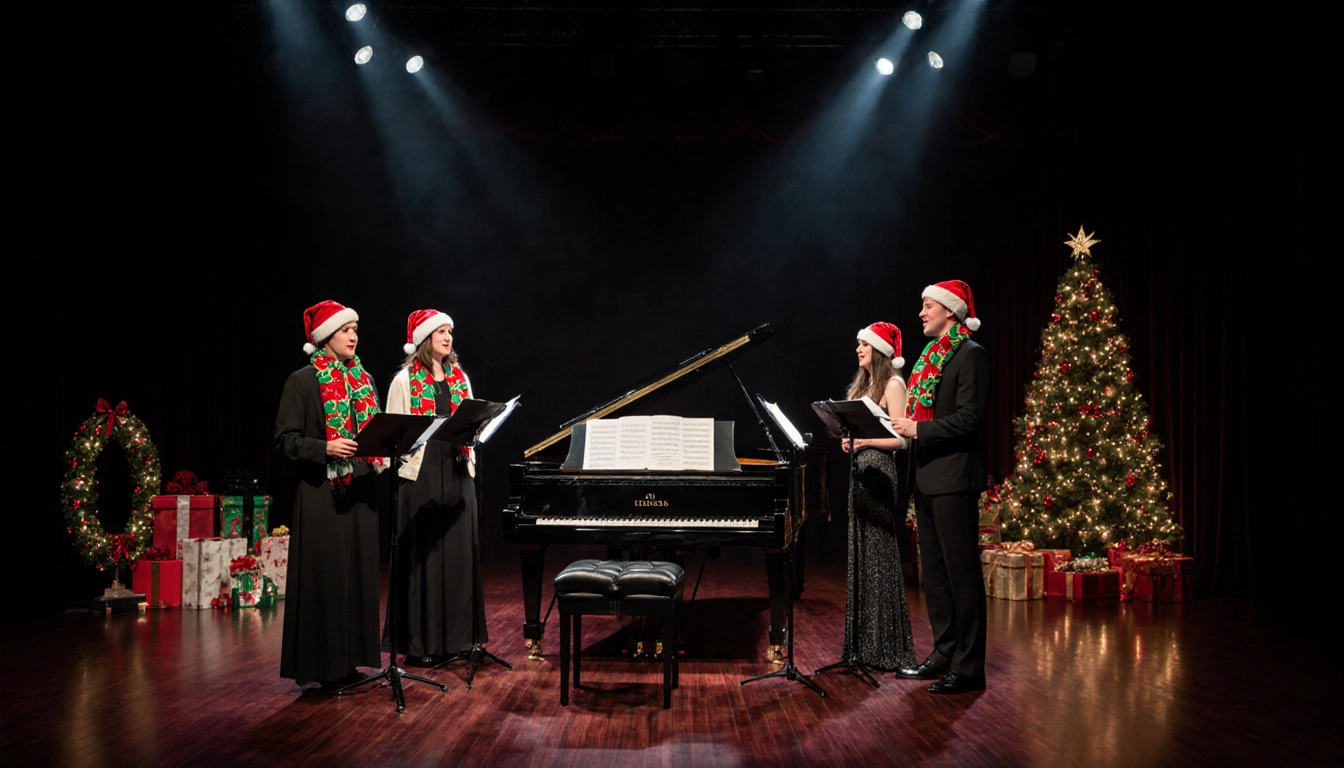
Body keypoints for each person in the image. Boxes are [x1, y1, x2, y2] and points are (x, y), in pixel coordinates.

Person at [275, 299, 388, 695]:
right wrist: (324, 447)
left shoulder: (365, 381)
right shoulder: (302, 381)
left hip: (361, 488)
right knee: (326, 580)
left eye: (356, 329)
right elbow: (285, 440)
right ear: (325, 337)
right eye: (345, 329)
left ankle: (349, 662)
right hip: (322, 491)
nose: (354, 335)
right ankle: (322, 665)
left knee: (356, 576)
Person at [890, 280, 991, 694]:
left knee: (961, 575)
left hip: (954, 479)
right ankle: (944, 652)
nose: (921, 313)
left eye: (927, 305)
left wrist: (920, 428)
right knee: (934, 574)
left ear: (950, 311)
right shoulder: (929, 359)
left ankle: (969, 669)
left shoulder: (971, 355)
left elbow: (971, 418)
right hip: (927, 479)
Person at [381, 309, 488, 665]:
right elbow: (394, 435)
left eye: (450, 331)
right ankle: (421, 645)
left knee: (457, 559)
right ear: (424, 339)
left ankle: (457, 640)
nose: (448, 337)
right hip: (422, 473)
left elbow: (473, 425)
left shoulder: (460, 378)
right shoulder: (404, 380)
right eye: (440, 331)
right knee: (424, 560)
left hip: (458, 469)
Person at [833, 322, 918, 673]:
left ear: (879, 348)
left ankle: (885, 647)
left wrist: (866, 443)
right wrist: (850, 442)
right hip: (860, 472)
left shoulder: (894, 384)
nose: (857, 349)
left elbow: (902, 440)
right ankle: (861, 647)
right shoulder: (864, 385)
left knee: (880, 556)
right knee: (860, 554)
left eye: (863, 343)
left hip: (880, 472)